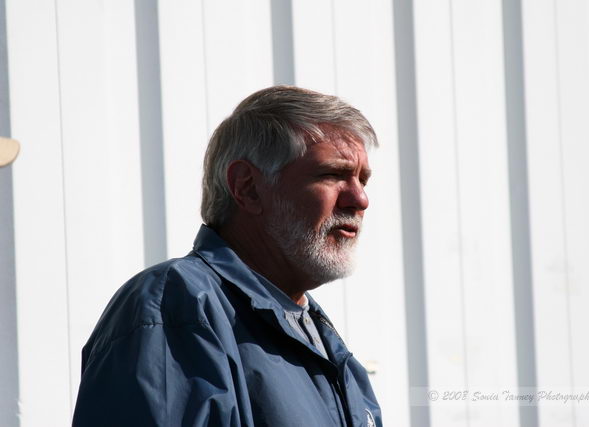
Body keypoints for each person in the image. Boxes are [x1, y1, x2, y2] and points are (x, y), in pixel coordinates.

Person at [72, 86, 382, 427]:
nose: (360, 200)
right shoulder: (176, 306)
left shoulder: (324, 343)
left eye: (362, 180)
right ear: (247, 187)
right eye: (332, 174)